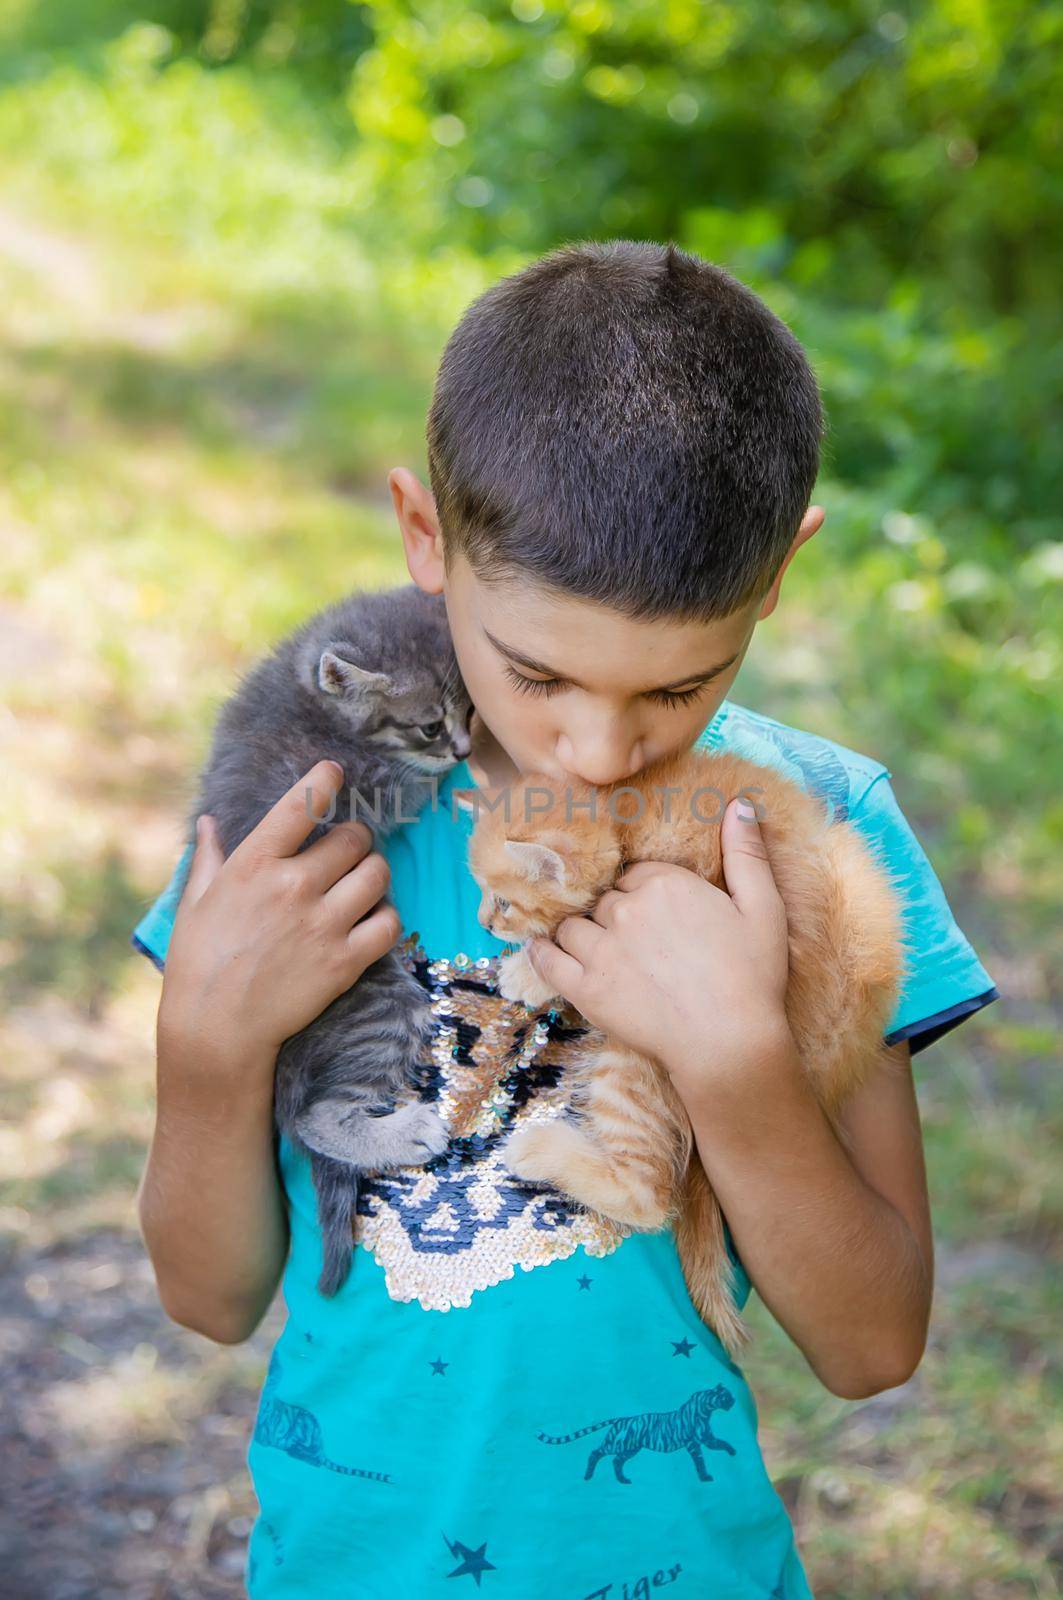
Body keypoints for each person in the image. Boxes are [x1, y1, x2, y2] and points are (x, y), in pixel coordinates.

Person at [131, 240, 998, 1598]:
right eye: (539, 673)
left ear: (780, 573)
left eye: (676, 689)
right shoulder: (312, 818)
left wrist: (737, 1063)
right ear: (425, 537)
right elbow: (209, 1296)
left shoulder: (809, 840)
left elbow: (872, 1344)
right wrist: (205, 1048)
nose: (596, 750)